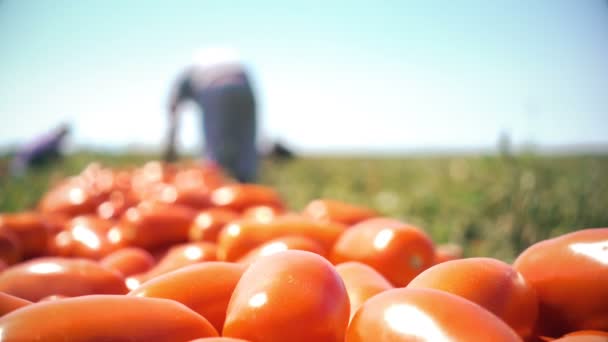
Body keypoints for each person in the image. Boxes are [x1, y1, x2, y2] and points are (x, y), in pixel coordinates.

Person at [165, 48, 258, 183]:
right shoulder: (203, 67)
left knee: (214, 145)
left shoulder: (185, 77)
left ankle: (216, 185)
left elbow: (173, 113)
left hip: (214, 86)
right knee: (246, 141)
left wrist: (170, 150)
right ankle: (246, 181)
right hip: (244, 85)